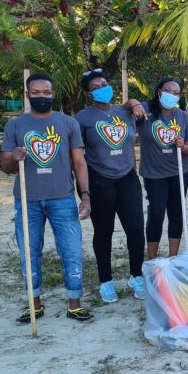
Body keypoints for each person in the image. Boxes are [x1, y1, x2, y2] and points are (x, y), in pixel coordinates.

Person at [0, 72, 94, 323]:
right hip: (27, 200)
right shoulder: (16, 126)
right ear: (28, 95)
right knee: (29, 253)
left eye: (46, 92)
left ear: (53, 94)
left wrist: (85, 196)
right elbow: (5, 165)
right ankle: (35, 304)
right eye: (36, 93)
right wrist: (13, 157)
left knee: (71, 251)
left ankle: (74, 303)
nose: (42, 96)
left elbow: (79, 162)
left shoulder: (68, 123)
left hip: (62, 198)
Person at [73, 69, 145, 303]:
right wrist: (83, 191)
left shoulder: (126, 112)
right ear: (88, 93)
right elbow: (77, 156)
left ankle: (136, 276)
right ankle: (106, 282)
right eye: (95, 88)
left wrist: (133, 101)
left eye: (103, 84)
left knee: (135, 228)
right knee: (103, 231)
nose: (101, 89)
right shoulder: (81, 119)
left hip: (127, 178)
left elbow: (149, 106)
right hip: (99, 178)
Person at [136, 78, 188, 263]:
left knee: (176, 213)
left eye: (176, 92)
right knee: (156, 214)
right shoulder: (145, 112)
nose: (171, 95)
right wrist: (133, 103)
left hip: (179, 172)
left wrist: (182, 146)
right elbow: (126, 108)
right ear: (159, 91)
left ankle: (173, 258)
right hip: (154, 175)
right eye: (167, 90)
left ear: (180, 96)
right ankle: (152, 259)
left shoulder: (184, 117)